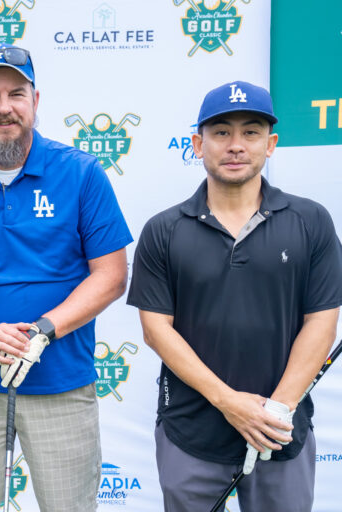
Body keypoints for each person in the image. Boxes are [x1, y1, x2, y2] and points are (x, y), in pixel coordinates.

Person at [0, 44, 133, 511]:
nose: (4, 107)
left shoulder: (80, 173)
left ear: (37, 100)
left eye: (17, 92)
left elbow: (112, 276)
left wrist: (42, 331)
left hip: (61, 380)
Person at [127, 81, 342, 511]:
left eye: (251, 132)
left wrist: (276, 410)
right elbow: (155, 329)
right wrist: (230, 404)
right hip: (190, 430)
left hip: (281, 432)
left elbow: (321, 321)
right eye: (222, 132)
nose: (236, 145)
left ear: (271, 144)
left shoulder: (311, 221)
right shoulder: (164, 230)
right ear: (197, 144)